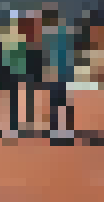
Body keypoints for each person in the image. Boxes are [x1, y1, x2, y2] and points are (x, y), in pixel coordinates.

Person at [41, 8, 77, 142]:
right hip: (64, 73)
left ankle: (57, 131)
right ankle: (64, 130)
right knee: (63, 102)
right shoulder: (65, 32)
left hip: (56, 74)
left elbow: (48, 56)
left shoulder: (49, 35)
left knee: (57, 103)